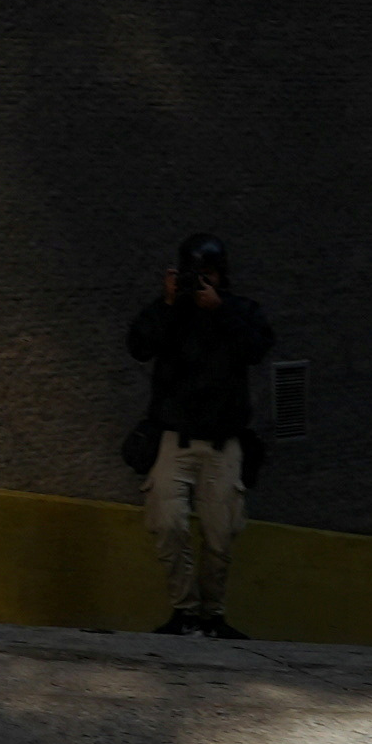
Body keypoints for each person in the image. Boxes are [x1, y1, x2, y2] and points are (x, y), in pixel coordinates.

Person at [117, 234, 276, 639]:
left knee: (221, 535)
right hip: (175, 437)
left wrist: (219, 311)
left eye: (207, 275)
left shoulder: (240, 311)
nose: (200, 283)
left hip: (224, 443)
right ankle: (185, 614)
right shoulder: (171, 313)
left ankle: (213, 617)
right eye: (193, 275)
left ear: (221, 275)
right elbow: (138, 345)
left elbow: (256, 348)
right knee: (167, 523)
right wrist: (169, 303)